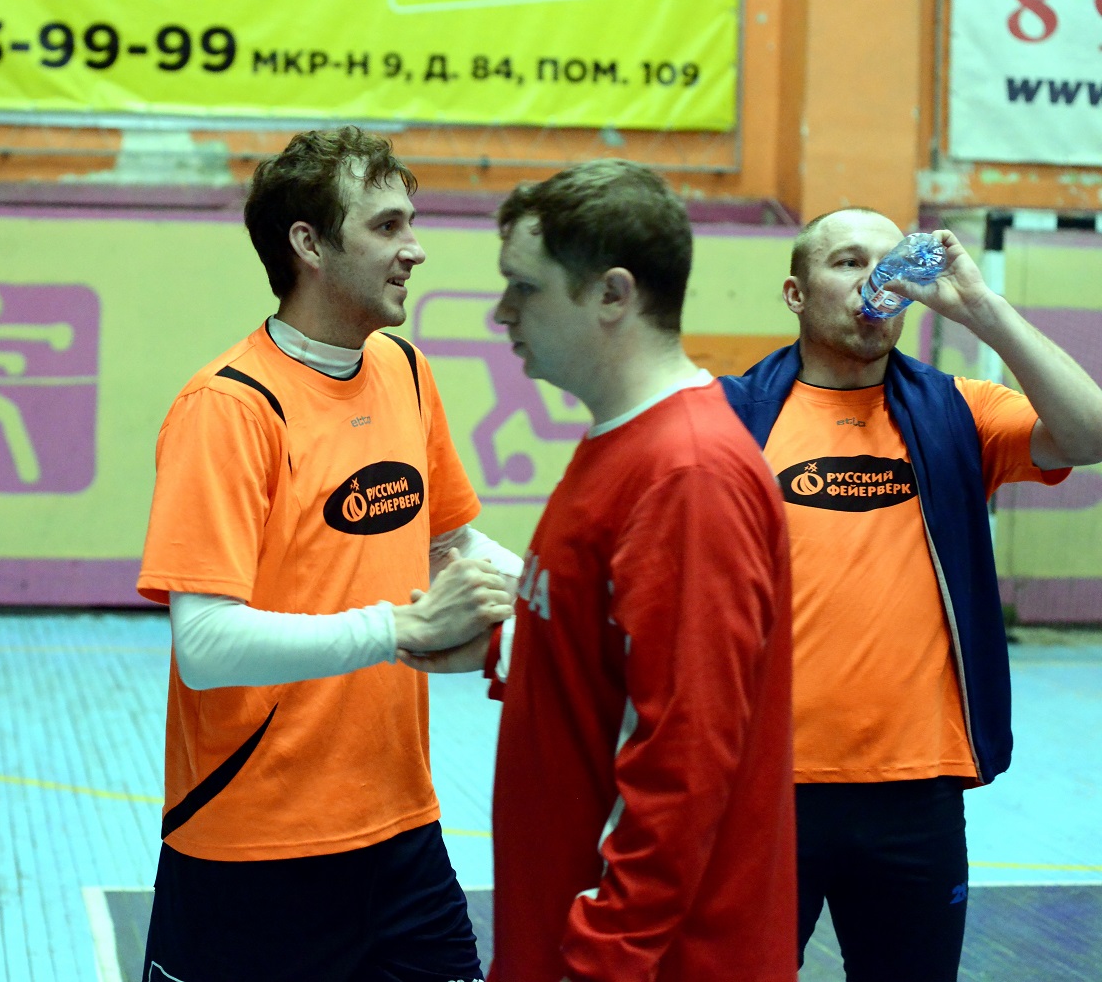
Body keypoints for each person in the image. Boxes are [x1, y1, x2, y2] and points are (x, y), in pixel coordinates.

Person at [135, 125, 521, 982]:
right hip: (251, 847)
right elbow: (205, 645)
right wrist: (400, 629)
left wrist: (567, 599)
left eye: (411, 223)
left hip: (403, 832)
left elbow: (451, 542)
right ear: (308, 244)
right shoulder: (228, 408)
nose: (415, 249)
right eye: (386, 226)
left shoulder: (405, 370)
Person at [404, 159, 798, 982]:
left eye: (525, 287)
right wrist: (512, 650)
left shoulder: (688, 475)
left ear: (613, 295)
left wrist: (602, 960)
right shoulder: (623, 443)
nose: (502, 311)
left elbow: (684, 760)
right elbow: (625, 661)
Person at [719, 207, 1102, 982]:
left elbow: (1090, 432)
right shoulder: (731, 417)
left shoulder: (959, 412)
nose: (876, 280)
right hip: (763, 787)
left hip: (916, 793)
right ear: (796, 294)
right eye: (847, 262)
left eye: (890, 262)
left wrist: (981, 307)